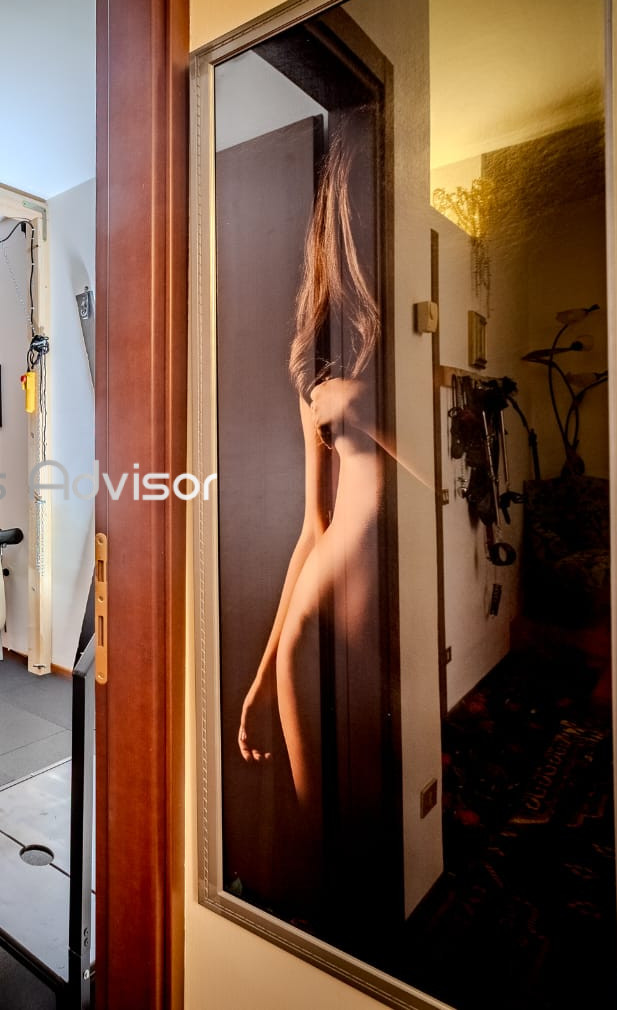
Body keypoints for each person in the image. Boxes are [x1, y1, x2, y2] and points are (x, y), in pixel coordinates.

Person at [236, 133, 383, 837]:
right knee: (331, 838)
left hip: (390, 616)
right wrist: (265, 673)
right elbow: (312, 528)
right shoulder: (319, 373)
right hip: (319, 625)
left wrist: (366, 409)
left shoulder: (392, 363)